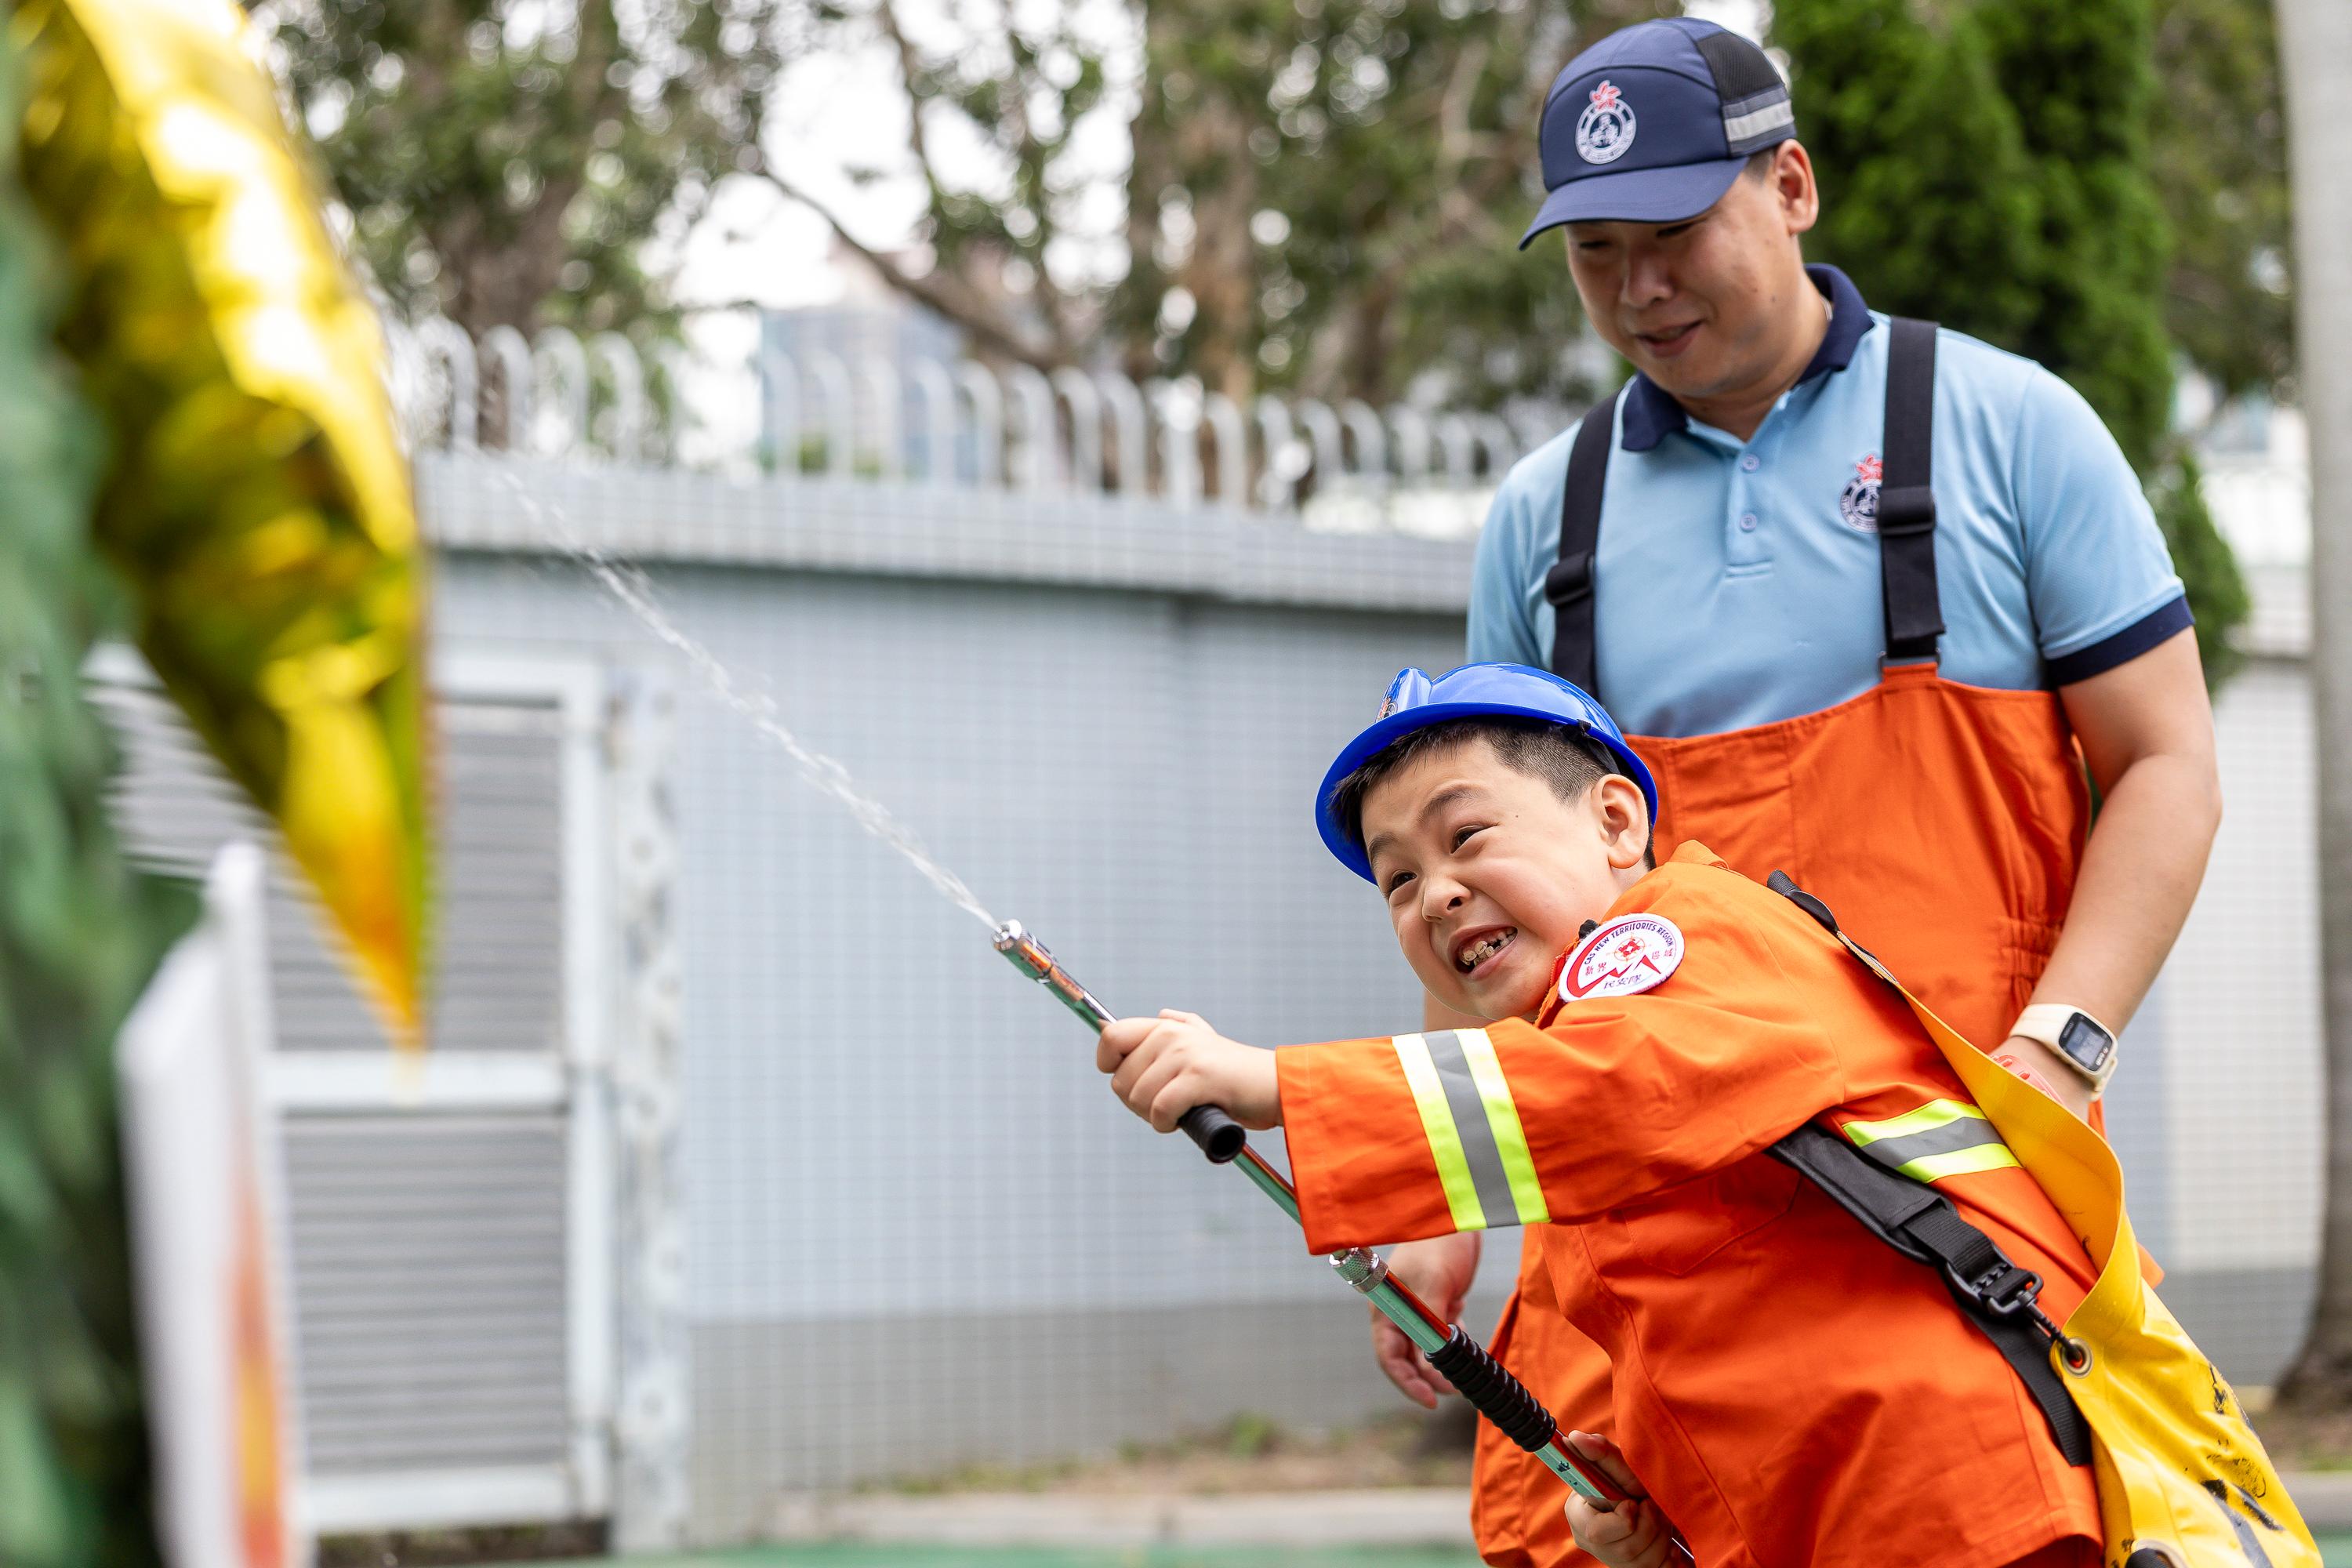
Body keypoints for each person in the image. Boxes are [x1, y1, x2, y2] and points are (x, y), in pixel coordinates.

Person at [1385, 19, 2223, 1565]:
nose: (1640, 288)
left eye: (1674, 234)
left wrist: (2064, 1045)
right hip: (1647, 1248)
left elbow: (2167, 762)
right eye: (1596, 255)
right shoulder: (1542, 523)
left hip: (1945, 1222)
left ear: (1791, 186)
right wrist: (1450, 1196)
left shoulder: (2011, 429)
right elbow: (1486, 887)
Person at [1095, 662, 2126, 1568]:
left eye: (1467, 835)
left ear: (1618, 822)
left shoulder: (1693, 938)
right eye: (1397, 879)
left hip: (1966, 1498)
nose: (1436, 894)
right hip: (1874, 1510)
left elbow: (1615, 1092)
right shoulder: (1576, 1121)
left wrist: (1281, 1084)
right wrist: (1651, 1534)